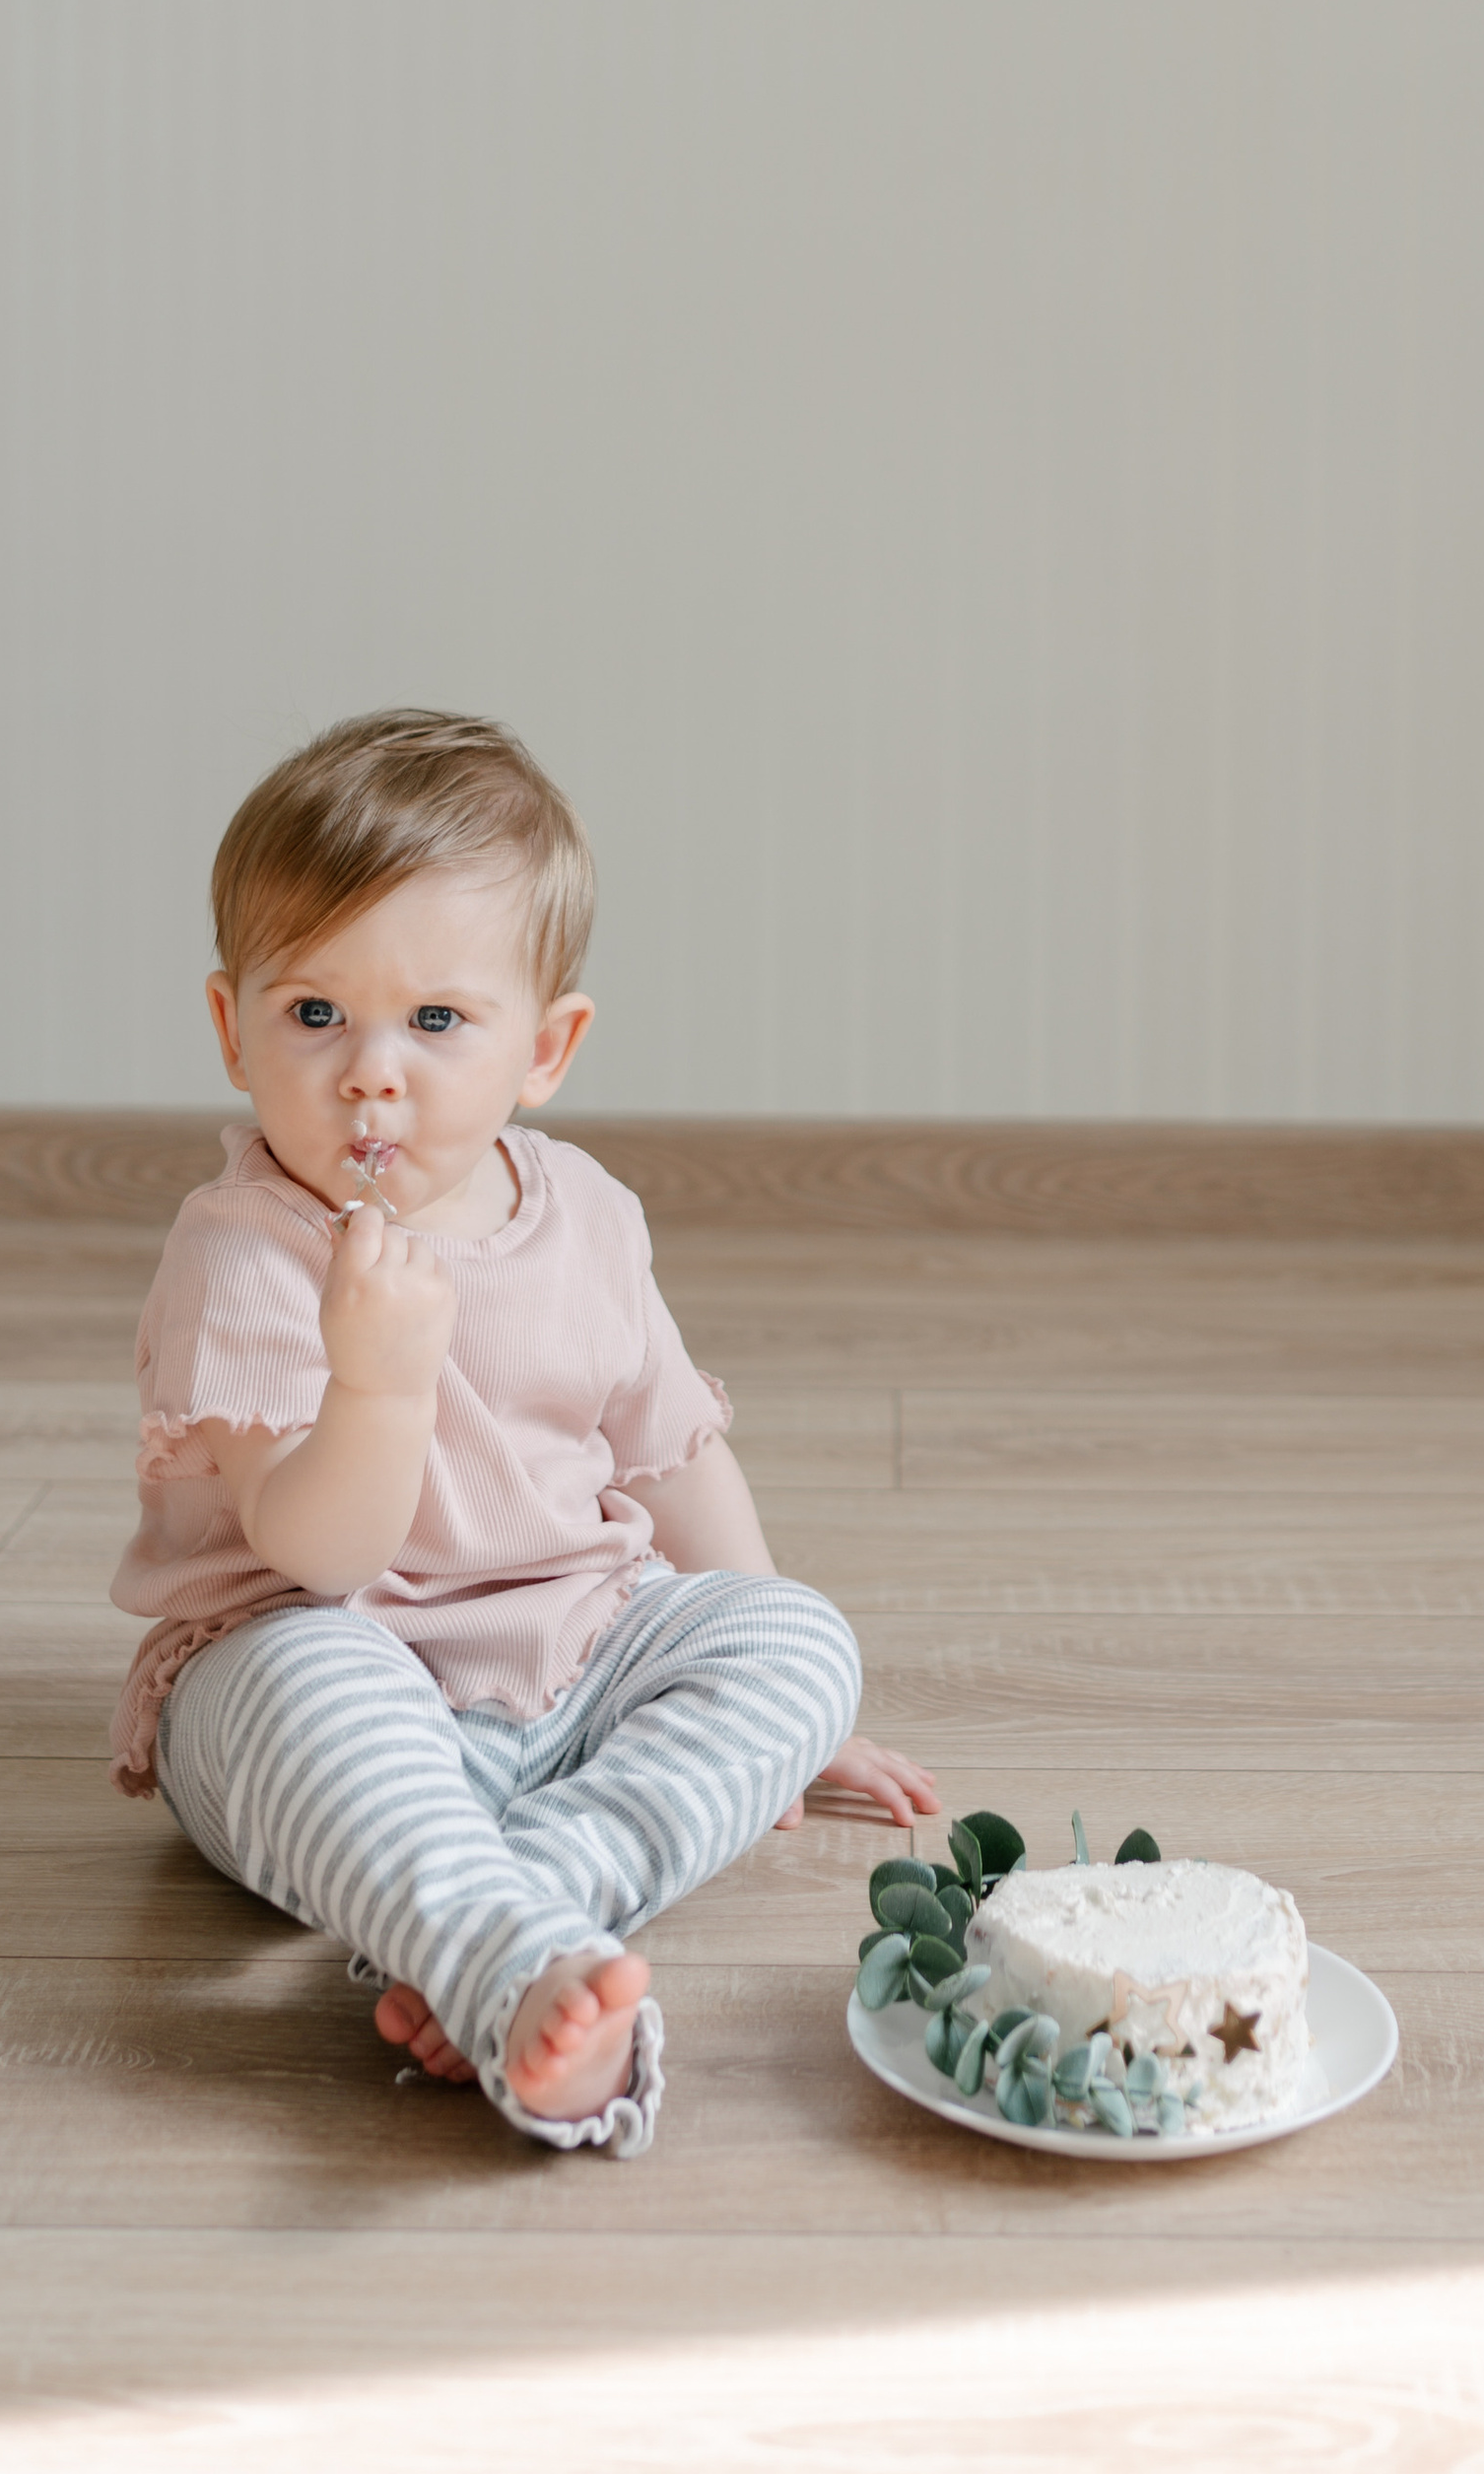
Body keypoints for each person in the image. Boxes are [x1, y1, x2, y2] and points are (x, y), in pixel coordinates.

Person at [107, 707, 934, 2157]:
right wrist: (378, 1382)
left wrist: (794, 1698)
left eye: (435, 1022)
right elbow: (313, 1555)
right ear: (234, 1028)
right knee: (305, 1690)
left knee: (798, 1638)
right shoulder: (244, 1256)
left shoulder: (589, 1216)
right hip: (326, 1664)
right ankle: (508, 1959)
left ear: (544, 1049)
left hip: (576, 1644)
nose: (373, 1072)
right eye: (316, 1015)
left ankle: (517, 1898)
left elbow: (671, 1451)